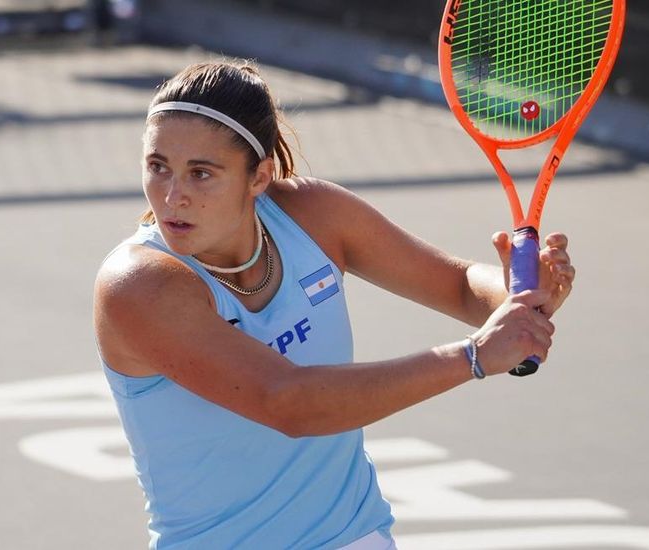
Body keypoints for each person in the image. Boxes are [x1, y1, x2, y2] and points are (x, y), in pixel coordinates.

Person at [93, 60, 574, 550]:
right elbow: (288, 402)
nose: (173, 196)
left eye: (201, 174)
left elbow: (458, 284)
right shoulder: (139, 285)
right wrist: (472, 356)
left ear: (257, 177)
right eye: (158, 167)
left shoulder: (315, 215)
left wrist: (521, 292)